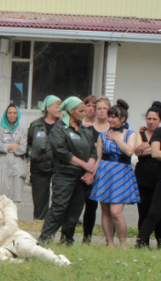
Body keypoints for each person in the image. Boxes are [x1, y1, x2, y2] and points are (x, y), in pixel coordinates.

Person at [0, 176, 70, 265]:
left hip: (14, 238)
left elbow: (11, 225)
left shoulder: (5, 202)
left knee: (26, 247)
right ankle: (20, 263)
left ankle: (59, 261)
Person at [39, 97, 96, 245]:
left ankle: (67, 241)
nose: (84, 113)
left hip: (82, 177)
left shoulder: (86, 131)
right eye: (81, 110)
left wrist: (89, 171)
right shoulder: (59, 129)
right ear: (71, 111)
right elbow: (62, 152)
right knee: (59, 207)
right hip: (64, 174)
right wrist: (85, 165)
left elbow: (93, 152)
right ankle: (45, 239)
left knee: (75, 210)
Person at [88, 105, 139, 248]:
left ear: (122, 118)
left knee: (116, 212)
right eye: (109, 116)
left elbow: (129, 152)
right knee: (105, 211)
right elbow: (99, 158)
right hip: (105, 173)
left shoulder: (131, 134)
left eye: (114, 116)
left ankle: (123, 244)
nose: (110, 119)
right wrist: (93, 174)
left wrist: (117, 138)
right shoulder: (103, 135)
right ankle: (110, 244)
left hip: (121, 174)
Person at [80, 97, 111, 242]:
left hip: (109, 171)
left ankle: (109, 240)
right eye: (99, 108)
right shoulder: (88, 128)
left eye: (105, 108)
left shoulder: (114, 128)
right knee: (90, 206)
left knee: (109, 208)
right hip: (91, 169)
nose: (102, 111)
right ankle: (87, 238)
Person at [26, 95, 62, 220]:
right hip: (39, 167)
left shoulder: (63, 125)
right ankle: (39, 222)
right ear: (48, 107)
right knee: (40, 197)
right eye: (57, 106)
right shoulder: (35, 125)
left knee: (59, 197)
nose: (60, 109)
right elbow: (29, 142)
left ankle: (54, 223)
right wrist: (31, 153)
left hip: (59, 166)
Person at [134, 103, 161, 246]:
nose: (151, 122)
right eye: (149, 119)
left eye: (154, 119)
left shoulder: (159, 133)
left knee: (157, 212)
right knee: (144, 212)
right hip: (143, 178)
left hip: (157, 176)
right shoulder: (141, 133)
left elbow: (149, 151)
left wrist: (148, 145)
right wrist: (153, 147)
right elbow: (138, 151)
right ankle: (143, 242)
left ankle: (159, 241)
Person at [0, 104, 27, 202]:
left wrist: (6, 147)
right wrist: (14, 145)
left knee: (14, 199)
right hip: (1, 165)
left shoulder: (23, 130)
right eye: (9, 112)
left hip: (16, 165)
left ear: (18, 115)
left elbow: (23, 148)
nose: (12, 115)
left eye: (14, 113)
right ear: (6, 114)